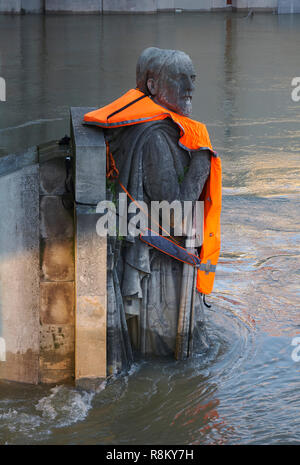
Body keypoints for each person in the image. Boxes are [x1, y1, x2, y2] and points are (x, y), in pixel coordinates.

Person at [84, 47, 222, 375]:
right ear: (153, 86)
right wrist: (202, 161)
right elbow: (174, 213)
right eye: (180, 78)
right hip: (160, 268)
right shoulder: (156, 140)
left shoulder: (153, 126)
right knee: (166, 359)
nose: (190, 87)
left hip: (150, 253)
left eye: (193, 78)